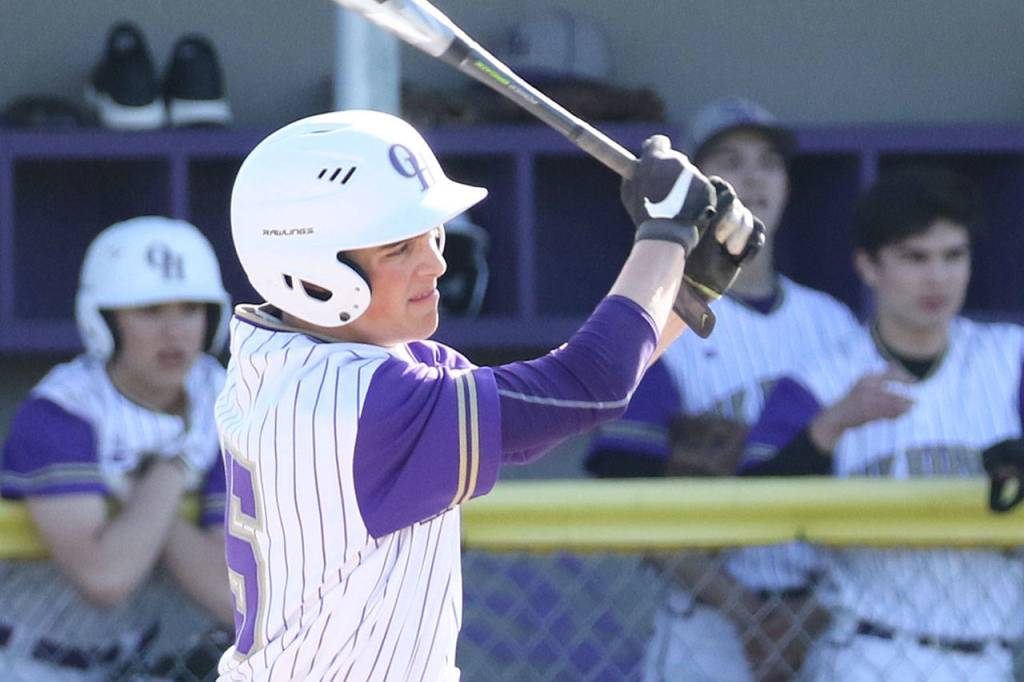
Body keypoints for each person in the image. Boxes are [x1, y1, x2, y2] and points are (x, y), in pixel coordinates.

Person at [213, 108, 763, 681]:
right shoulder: (355, 403)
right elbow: (590, 386)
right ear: (306, 263)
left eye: (430, 232)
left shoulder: (291, 354)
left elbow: (562, 402)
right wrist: (664, 236)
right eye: (398, 247)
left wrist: (682, 279)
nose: (436, 262)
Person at [583, 97, 860, 681]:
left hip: (825, 612)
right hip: (706, 620)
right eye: (730, 160)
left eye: (768, 162)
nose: (754, 177)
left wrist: (802, 620)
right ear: (697, 186)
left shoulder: (833, 323)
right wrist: (746, 614)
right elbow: (627, 493)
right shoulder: (661, 318)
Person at [740, 164, 1024, 681]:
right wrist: (831, 428)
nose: (937, 276)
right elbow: (750, 512)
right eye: (915, 257)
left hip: (992, 655)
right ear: (869, 267)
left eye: (953, 256)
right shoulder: (820, 381)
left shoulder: (1011, 359)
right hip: (869, 651)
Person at [0, 216, 236, 681]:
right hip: (23, 660)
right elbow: (105, 579)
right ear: (103, 319)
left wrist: (146, 493)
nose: (174, 331)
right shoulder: (61, 410)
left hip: (129, 665)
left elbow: (231, 599)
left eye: (190, 308)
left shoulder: (226, 401)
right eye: (149, 311)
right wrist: (172, 474)